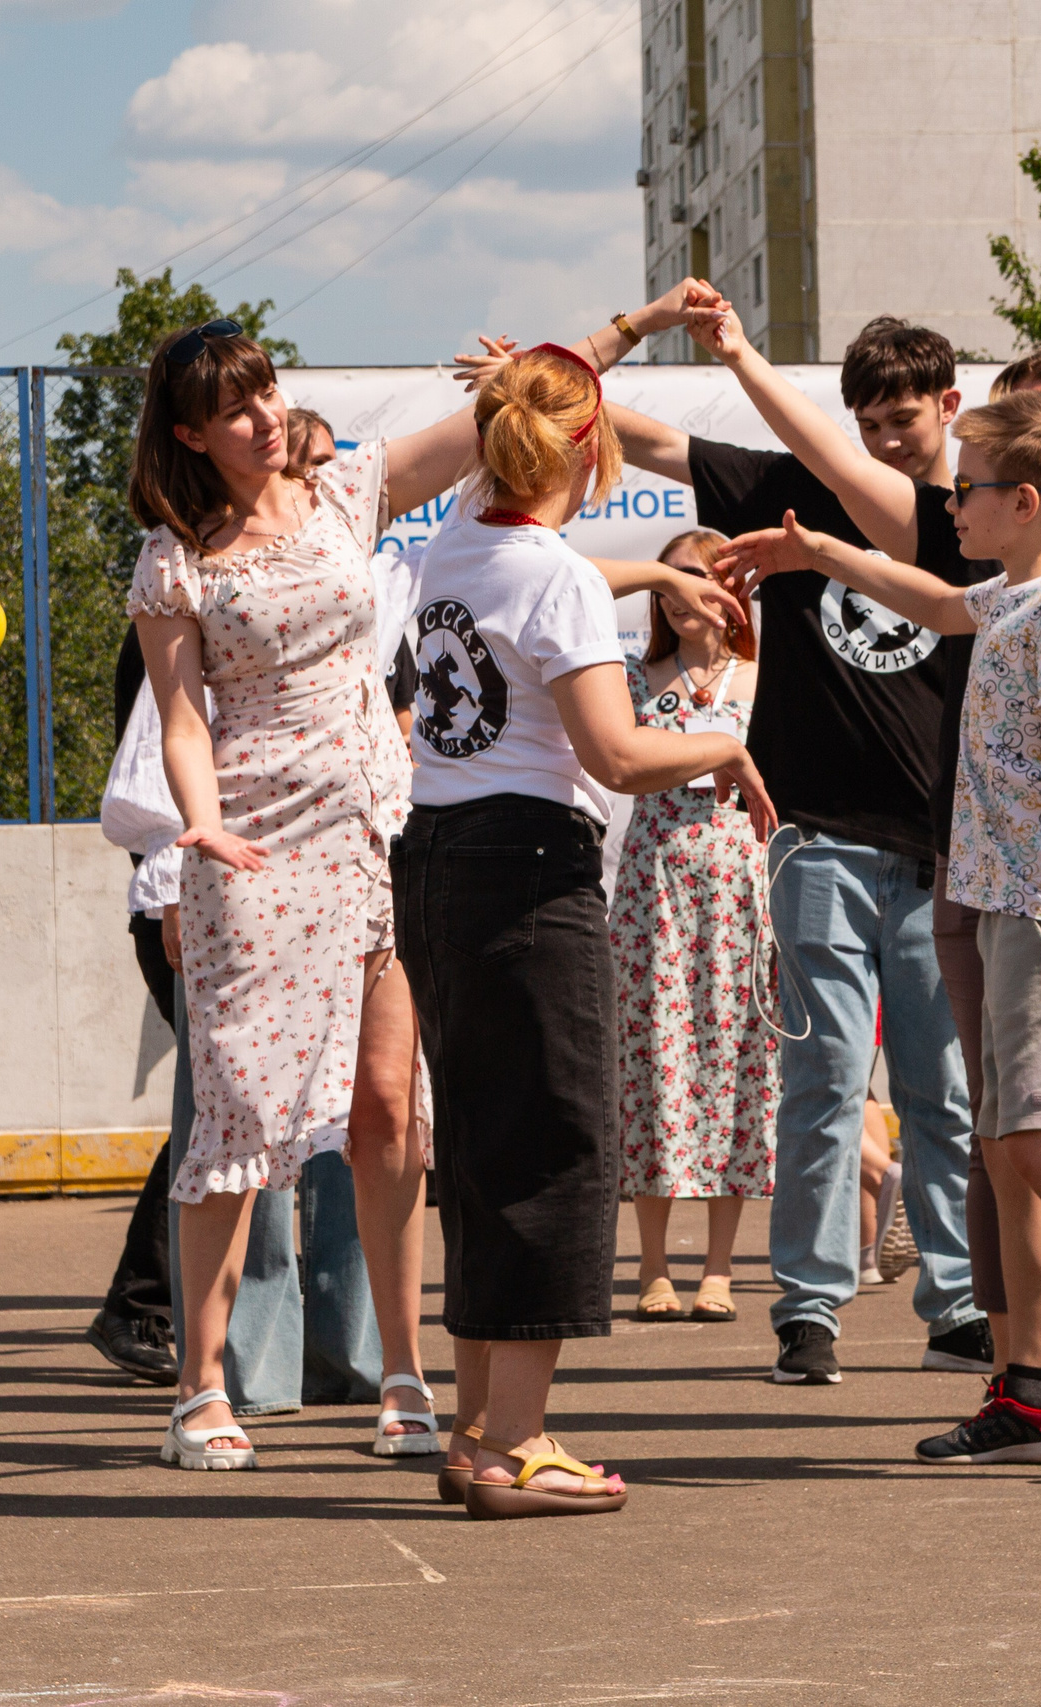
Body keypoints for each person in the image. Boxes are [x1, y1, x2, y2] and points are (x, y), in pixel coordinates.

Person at [130, 290, 740, 1472]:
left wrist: (636, 326)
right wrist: (197, 827)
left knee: (391, 1109)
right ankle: (201, 1386)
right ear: (191, 435)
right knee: (242, 1115)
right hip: (254, 845)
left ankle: (404, 1373)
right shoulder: (177, 561)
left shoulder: (345, 493)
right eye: (231, 409)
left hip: (381, 835)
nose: (261, 418)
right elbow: (182, 721)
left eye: (264, 392)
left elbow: (508, 418)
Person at [698, 330, 1041, 1418]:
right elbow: (934, 602)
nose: (950, 502)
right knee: (1000, 1135)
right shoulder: (1008, 595)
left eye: (973, 489)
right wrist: (822, 555)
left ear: (1028, 502)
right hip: (1000, 900)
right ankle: (1033, 1387)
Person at [399, 342, 776, 1520]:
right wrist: (722, 742)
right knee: (558, 1148)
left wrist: (657, 583)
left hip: (438, 861)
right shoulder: (554, 577)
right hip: (529, 871)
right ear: (592, 450)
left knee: (476, 1153)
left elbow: (544, 571)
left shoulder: (458, 535)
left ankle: (473, 1433)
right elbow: (617, 754)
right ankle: (518, 1444)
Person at [605, 317, 994, 1386]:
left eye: (905, 420)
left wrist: (739, 356)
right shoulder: (785, 489)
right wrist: (552, 376)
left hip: (935, 849)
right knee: (819, 1080)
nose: (885, 441)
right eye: (865, 424)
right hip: (812, 839)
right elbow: (643, 442)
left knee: (940, 1092)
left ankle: (955, 1303)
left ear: (949, 407)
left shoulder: (973, 518)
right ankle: (809, 1309)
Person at [614, 526, 778, 1324]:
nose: (681, 596)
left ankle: (720, 1265)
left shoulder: (762, 678)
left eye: (699, 579)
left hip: (742, 891)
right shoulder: (631, 677)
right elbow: (624, 760)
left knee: (737, 1062)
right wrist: (710, 753)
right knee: (654, 1068)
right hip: (655, 892)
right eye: (669, 582)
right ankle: (651, 1261)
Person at [85, 623, 182, 1385]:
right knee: (219, 1106)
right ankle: (139, 1301)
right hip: (179, 902)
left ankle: (149, 1300)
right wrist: (177, 887)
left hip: (191, 899)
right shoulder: (171, 611)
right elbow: (158, 769)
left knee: (229, 1107)